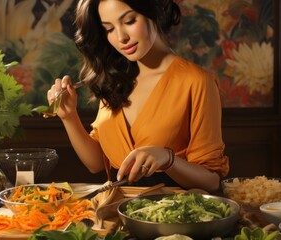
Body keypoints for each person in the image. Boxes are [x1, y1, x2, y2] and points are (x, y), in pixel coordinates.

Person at [47, 0, 229, 193]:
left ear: (155, 11)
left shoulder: (197, 81)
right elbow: (96, 164)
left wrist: (168, 159)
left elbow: (210, 181)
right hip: (115, 211)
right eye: (109, 29)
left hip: (173, 215)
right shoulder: (113, 79)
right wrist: (69, 116)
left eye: (130, 21)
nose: (121, 37)